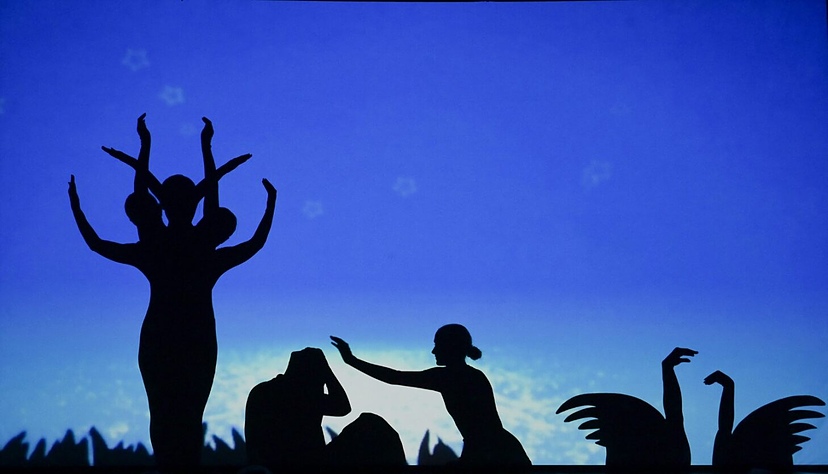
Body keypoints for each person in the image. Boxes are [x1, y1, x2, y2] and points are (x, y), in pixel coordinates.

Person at [68, 158, 276, 465]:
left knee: (162, 410)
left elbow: (97, 243)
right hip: (196, 337)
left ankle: (170, 465)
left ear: (163, 207)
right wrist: (270, 204)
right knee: (190, 411)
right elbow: (254, 241)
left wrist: (76, 204)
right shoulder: (204, 251)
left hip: (161, 335)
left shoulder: (155, 246)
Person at [330, 324, 531, 467]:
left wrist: (351, 360)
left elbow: (393, 377)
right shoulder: (473, 376)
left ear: (450, 348)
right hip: (502, 451)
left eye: (438, 345)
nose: (434, 351)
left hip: (493, 456)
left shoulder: (448, 377)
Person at [102, 114, 251, 247]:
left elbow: (142, 186)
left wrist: (144, 144)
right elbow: (211, 184)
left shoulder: (155, 239)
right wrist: (207, 146)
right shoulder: (201, 241)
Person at [245, 348, 405, 468]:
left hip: (269, 465)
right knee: (371, 424)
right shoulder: (302, 396)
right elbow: (343, 407)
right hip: (308, 465)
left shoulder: (262, 391)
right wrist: (327, 371)